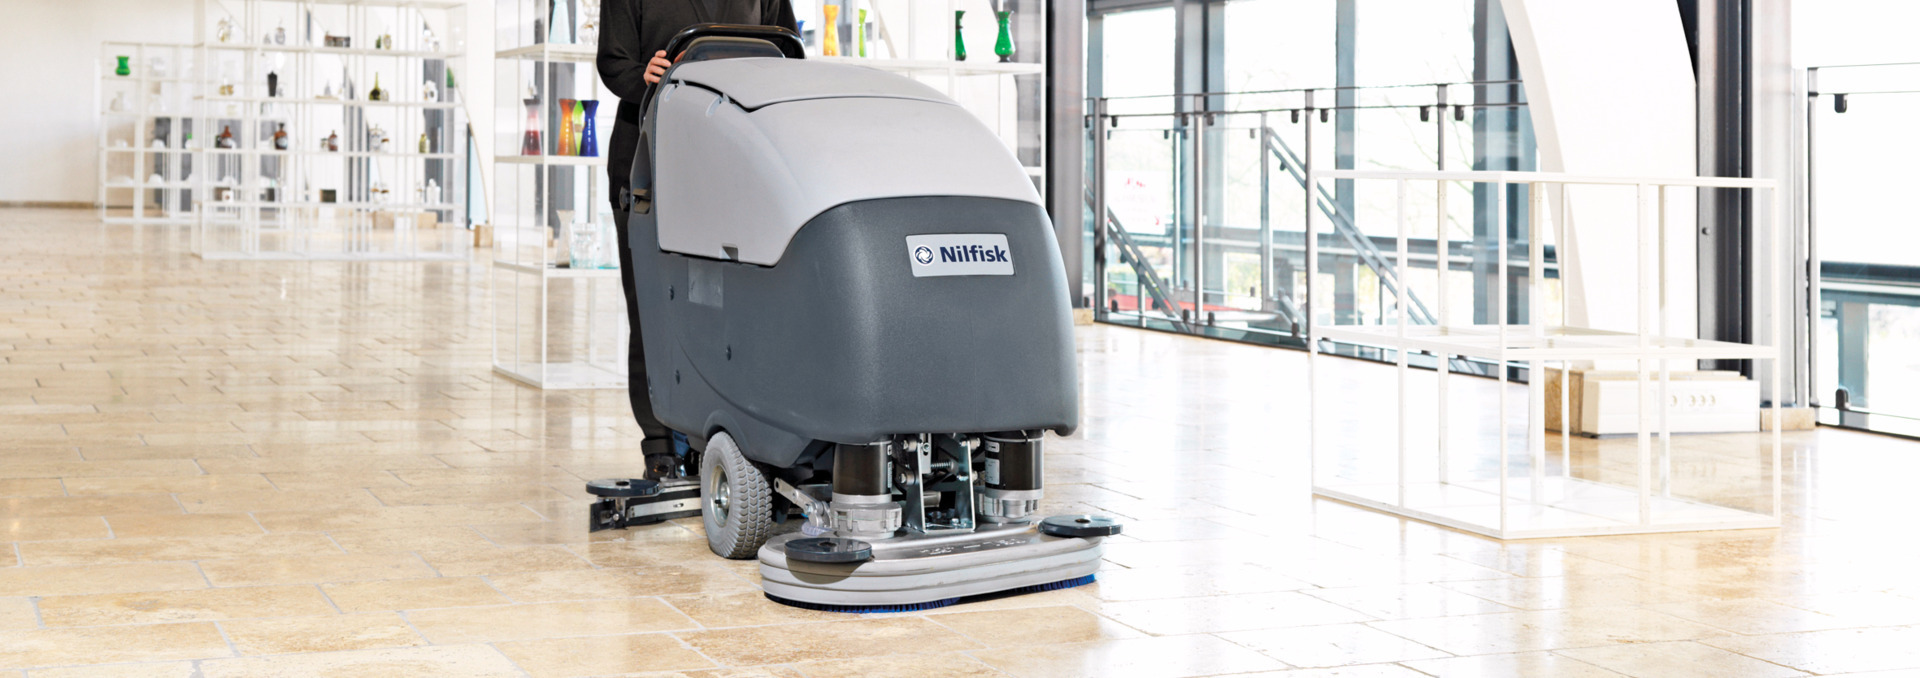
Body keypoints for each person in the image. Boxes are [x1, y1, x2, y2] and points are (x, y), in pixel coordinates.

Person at [596, 0, 798, 476]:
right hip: (650, 157)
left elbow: (788, 50)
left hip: (730, 160)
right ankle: (660, 444)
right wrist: (643, 75)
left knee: (734, 312)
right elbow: (613, 60)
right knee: (652, 308)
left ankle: (732, 434)